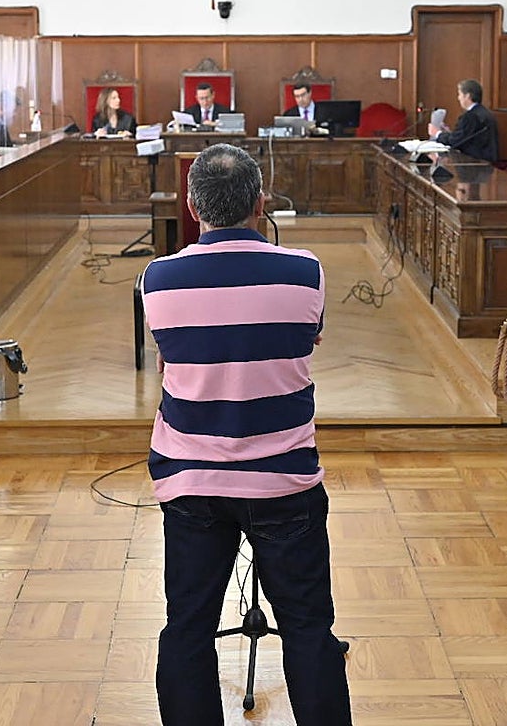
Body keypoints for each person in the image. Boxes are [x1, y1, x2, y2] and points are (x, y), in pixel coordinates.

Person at [141, 143, 352, 726]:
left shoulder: (157, 279)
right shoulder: (305, 271)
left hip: (191, 480)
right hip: (283, 479)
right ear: (261, 203)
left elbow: (174, 357)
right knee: (309, 628)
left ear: (192, 205)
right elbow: (304, 342)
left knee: (187, 627)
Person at [428, 78, 499, 162]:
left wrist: (437, 133)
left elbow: (455, 141)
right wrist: (449, 134)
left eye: (460, 94)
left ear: (467, 96)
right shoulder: (485, 113)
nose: (458, 98)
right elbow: (465, 137)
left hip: (474, 165)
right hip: (486, 161)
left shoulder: (471, 116)